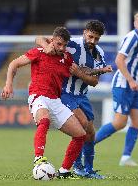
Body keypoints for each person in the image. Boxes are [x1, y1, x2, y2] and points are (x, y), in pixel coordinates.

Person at [1, 27, 104, 179]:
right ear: (52, 41)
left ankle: (64, 171)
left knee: (81, 134)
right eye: (58, 44)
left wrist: (101, 70)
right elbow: (13, 64)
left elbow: (82, 70)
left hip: (56, 100)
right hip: (38, 96)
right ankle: (39, 158)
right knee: (44, 120)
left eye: (64, 45)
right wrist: (8, 84)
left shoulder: (67, 58)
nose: (61, 48)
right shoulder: (39, 52)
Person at [35, 20, 112, 179]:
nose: (92, 41)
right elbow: (39, 38)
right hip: (64, 93)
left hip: (82, 96)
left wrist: (80, 74)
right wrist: (46, 45)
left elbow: (94, 82)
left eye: (96, 39)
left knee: (90, 132)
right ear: (85, 32)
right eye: (90, 36)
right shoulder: (71, 44)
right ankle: (77, 167)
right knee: (82, 125)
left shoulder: (99, 53)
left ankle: (88, 170)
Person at [95, 10, 138, 166]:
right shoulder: (132, 38)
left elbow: (134, 63)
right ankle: (86, 146)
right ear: (135, 23)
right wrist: (131, 80)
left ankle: (126, 157)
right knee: (120, 123)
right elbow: (119, 60)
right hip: (123, 85)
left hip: (133, 87)